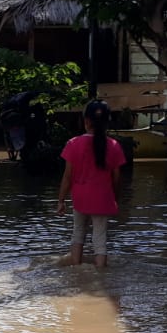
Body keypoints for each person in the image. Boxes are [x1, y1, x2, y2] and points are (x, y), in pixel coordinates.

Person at [56, 99, 127, 268]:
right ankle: (101, 274)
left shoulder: (73, 143)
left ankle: (76, 269)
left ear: (86, 121)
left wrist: (61, 200)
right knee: (100, 238)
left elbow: (67, 177)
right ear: (107, 122)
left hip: (80, 198)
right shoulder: (114, 145)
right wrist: (115, 199)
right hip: (103, 198)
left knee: (78, 233)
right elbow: (117, 179)